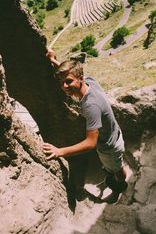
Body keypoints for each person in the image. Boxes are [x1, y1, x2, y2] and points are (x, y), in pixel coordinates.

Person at [43, 48, 128, 199]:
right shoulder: (89, 82)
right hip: (114, 134)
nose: (64, 87)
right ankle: (112, 171)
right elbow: (70, 74)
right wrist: (54, 60)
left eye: (68, 82)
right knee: (112, 165)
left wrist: (59, 152)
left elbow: (90, 143)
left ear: (79, 78)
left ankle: (120, 186)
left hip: (109, 147)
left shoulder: (91, 106)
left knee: (117, 169)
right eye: (62, 82)